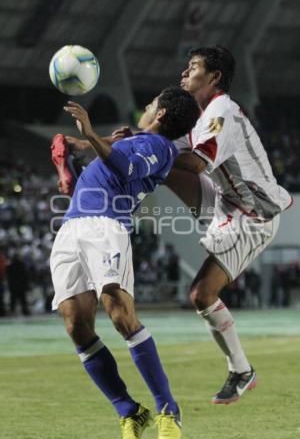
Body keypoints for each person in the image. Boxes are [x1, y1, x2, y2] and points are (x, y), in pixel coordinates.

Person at [50, 86, 199, 439]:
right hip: (71, 226)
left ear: (161, 114)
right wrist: (80, 149)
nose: (145, 108)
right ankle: (129, 411)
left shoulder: (159, 148)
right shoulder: (133, 138)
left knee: (120, 314)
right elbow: (117, 149)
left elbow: (126, 165)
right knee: (76, 326)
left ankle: (168, 410)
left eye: (150, 104)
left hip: (106, 225)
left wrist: (88, 134)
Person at [164, 45, 293, 404]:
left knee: (201, 294)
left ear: (215, 76)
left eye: (193, 67)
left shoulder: (222, 112)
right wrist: (106, 144)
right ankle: (242, 370)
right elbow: (168, 148)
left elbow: (195, 164)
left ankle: (241, 370)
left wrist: (149, 151)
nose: (184, 73)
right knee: (158, 165)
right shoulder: (201, 116)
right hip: (227, 203)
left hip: (254, 215)